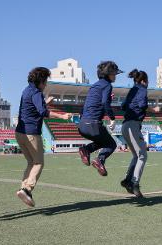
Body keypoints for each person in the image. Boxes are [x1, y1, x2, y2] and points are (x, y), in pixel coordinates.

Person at [16, 67, 72, 207]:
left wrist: (45, 101)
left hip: (19, 132)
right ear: (40, 80)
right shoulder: (36, 92)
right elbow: (42, 112)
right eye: (45, 81)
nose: (46, 84)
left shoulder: (26, 90)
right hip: (31, 133)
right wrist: (62, 116)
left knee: (31, 162)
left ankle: (23, 188)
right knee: (39, 162)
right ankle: (27, 189)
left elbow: (32, 108)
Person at [78, 61, 122, 176]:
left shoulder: (94, 86)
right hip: (93, 124)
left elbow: (88, 105)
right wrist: (112, 118)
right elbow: (104, 103)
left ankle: (86, 149)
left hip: (82, 125)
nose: (115, 76)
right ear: (108, 74)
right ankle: (99, 160)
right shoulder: (107, 85)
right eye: (114, 74)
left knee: (101, 141)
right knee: (111, 144)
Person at [120, 69, 160, 197]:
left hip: (125, 125)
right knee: (142, 155)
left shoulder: (132, 90)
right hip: (133, 125)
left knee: (137, 156)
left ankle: (128, 180)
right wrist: (154, 109)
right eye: (147, 81)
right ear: (144, 80)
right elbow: (143, 104)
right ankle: (134, 183)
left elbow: (123, 106)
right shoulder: (142, 89)